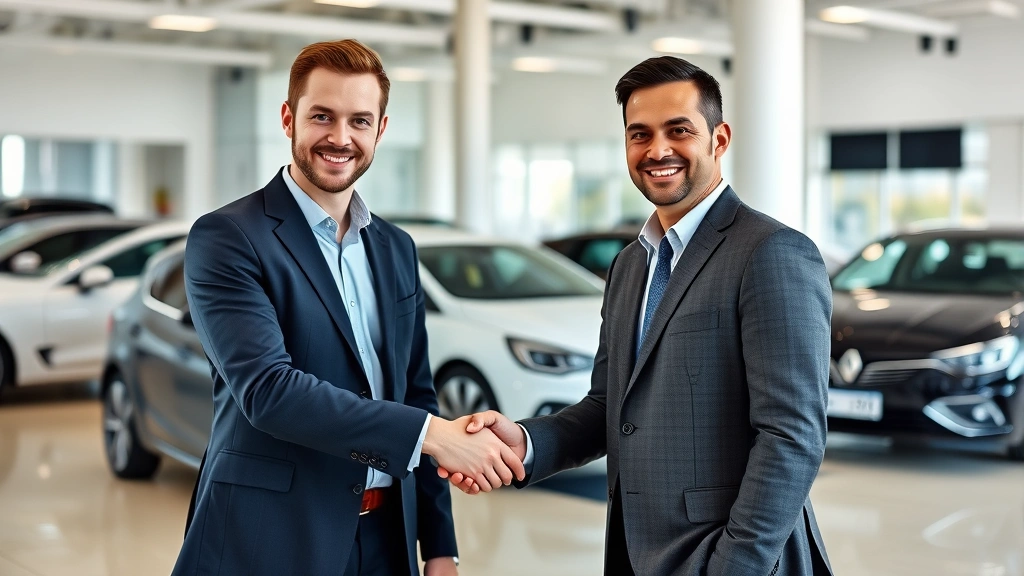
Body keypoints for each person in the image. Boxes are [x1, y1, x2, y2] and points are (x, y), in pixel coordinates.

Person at [441, 56, 834, 576]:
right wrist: (528, 442)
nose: (657, 150)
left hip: (733, 559)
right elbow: (610, 405)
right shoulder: (631, 264)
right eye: (639, 134)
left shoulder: (771, 253)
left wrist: (733, 565)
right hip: (633, 552)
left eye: (679, 130)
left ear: (719, 139)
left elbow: (791, 436)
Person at [172, 39, 523, 576]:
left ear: (380, 130)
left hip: (386, 539)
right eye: (322, 116)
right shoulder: (228, 237)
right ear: (289, 118)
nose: (340, 138)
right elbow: (269, 391)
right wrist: (434, 437)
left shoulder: (396, 247)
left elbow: (417, 392)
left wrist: (440, 547)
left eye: (359, 120)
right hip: (269, 537)